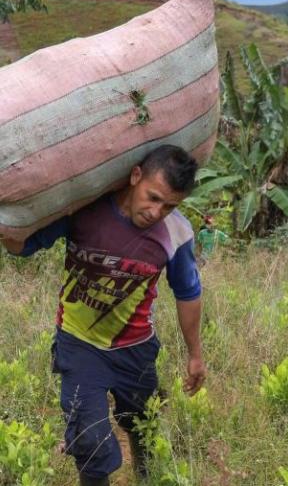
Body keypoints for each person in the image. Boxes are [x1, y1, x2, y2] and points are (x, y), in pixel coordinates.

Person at [0, 145, 207, 486]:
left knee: (140, 421)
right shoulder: (83, 210)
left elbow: (187, 293)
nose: (157, 212)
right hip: (78, 344)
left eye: (169, 205)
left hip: (135, 347)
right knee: (90, 442)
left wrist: (196, 355)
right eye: (153, 197)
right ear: (135, 175)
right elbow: (25, 246)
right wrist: (10, 231)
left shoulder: (177, 233)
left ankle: (145, 469)